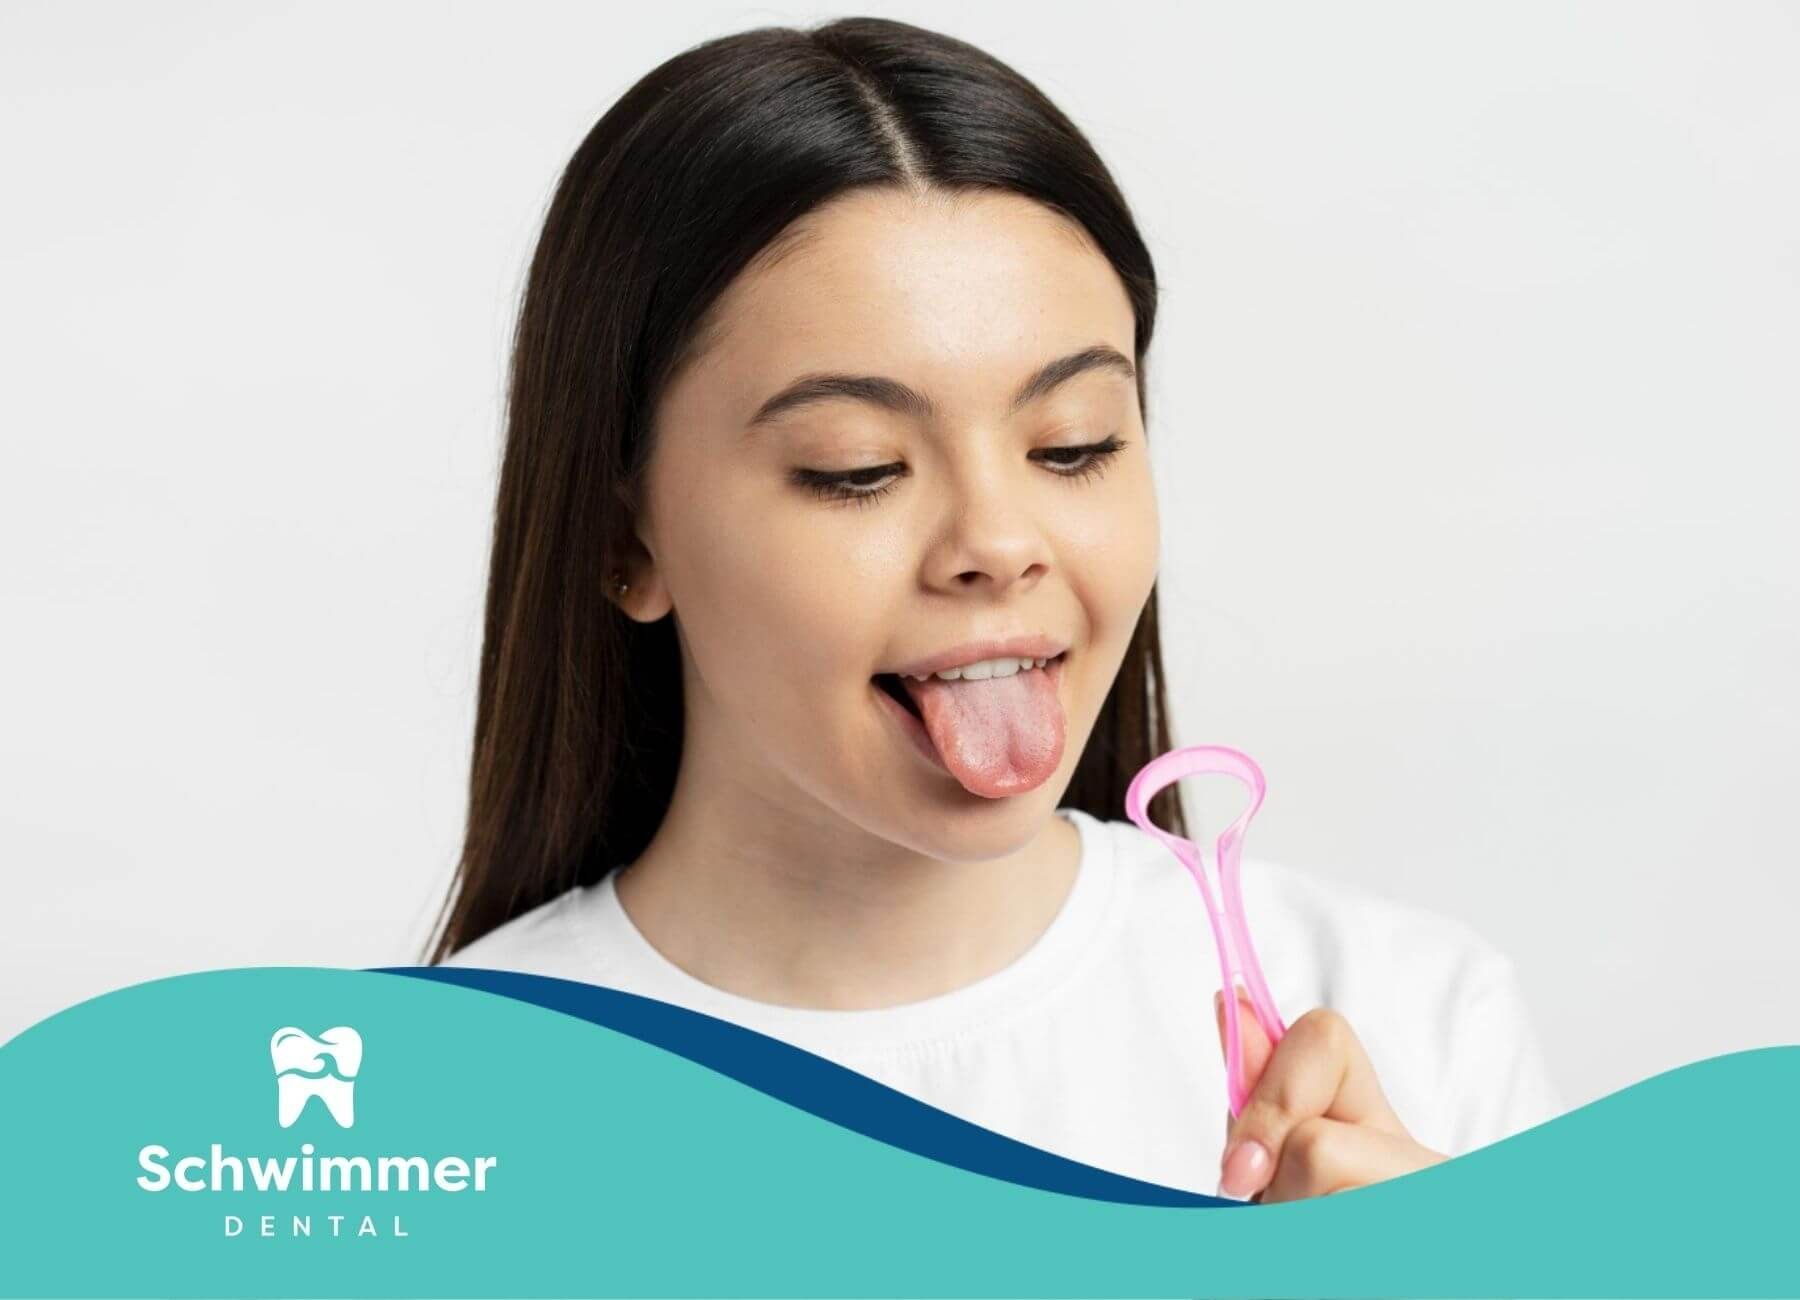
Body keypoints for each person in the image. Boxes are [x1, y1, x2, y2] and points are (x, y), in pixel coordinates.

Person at [424, 15, 1562, 1202]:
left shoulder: (1415, 1021)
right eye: (856, 467)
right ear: (625, 540)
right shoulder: (420, 1111)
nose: (999, 544)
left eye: (1072, 447)